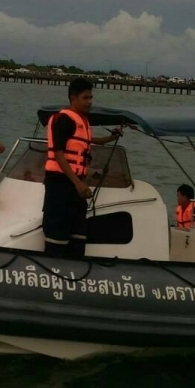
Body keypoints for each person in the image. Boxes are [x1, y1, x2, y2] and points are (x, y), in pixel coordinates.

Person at [42, 78, 123, 258]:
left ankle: (75, 265)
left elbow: (89, 141)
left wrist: (112, 137)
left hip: (76, 184)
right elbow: (58, 154)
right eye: (85, 98)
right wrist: (78, 183)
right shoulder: (62, 119)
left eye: (91, 97)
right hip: (60, 183)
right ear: (73, 98)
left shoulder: (83, 121)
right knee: (57, 235)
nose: (89, 102)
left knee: (78, 236)